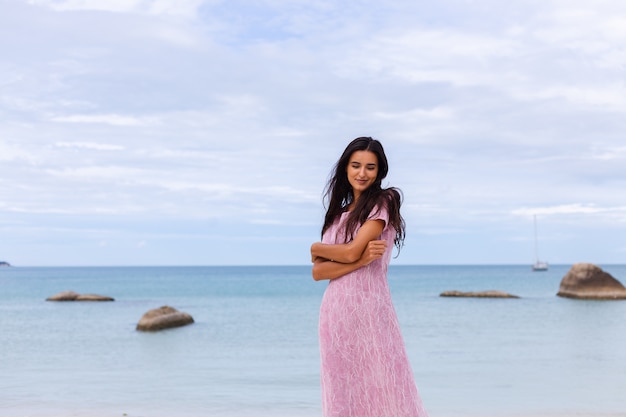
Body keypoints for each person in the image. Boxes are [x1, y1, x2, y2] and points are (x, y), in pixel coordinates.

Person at [310, 137, 428, 417]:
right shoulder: (338, 213)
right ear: (345, 168)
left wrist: (319, 249)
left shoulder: (384, 201)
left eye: (370, 167)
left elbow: (348, 253)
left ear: (380, 171)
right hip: (335, 312)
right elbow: (319, 272)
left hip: (369, 307)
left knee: (385, 384)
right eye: (356, 165)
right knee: (342, 388)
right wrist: (358, 258)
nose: (362, 173)